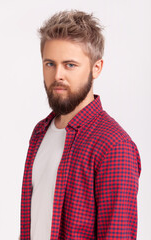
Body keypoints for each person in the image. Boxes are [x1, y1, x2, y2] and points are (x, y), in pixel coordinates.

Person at [20, 10, 141, 240]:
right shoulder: (40, 132)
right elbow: (36, 221)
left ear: (96, 68)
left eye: (70, 65)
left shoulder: (114, 147)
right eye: (50, 63)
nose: (58, 75)